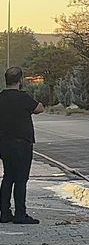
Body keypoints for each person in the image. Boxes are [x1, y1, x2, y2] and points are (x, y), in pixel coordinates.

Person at [0, 67, 44, 224]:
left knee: (8, 177)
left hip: (4, 144)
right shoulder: (23, 97)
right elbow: (39, 108)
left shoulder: (1, 97)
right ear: (20, 81)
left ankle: (4, 213)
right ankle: (20, 214)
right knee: (20, 179)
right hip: (22, 144)